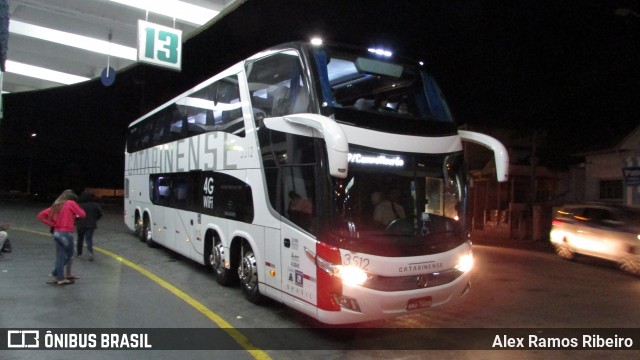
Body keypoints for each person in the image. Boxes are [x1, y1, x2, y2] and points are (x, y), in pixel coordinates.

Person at [37, 190, 86, 285]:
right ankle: (55, 273)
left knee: (61, 256)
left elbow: (41, 215)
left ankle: (59, 278)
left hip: (57, 232)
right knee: (69, 256)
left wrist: (52, 224)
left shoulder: (56, 206)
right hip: (66, 233)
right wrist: (77, 208)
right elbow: (82, 214)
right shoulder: (70, 203)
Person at [76, 191, 103, 261]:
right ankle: (90, 252)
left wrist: (76, 221)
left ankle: (79, 253)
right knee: (89, 239)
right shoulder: (95, 205)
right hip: (91, 225)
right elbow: (100, 214)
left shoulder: (80, 205)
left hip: (80, 224)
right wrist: (95, 219)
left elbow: (76, 216)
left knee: (80, 239)